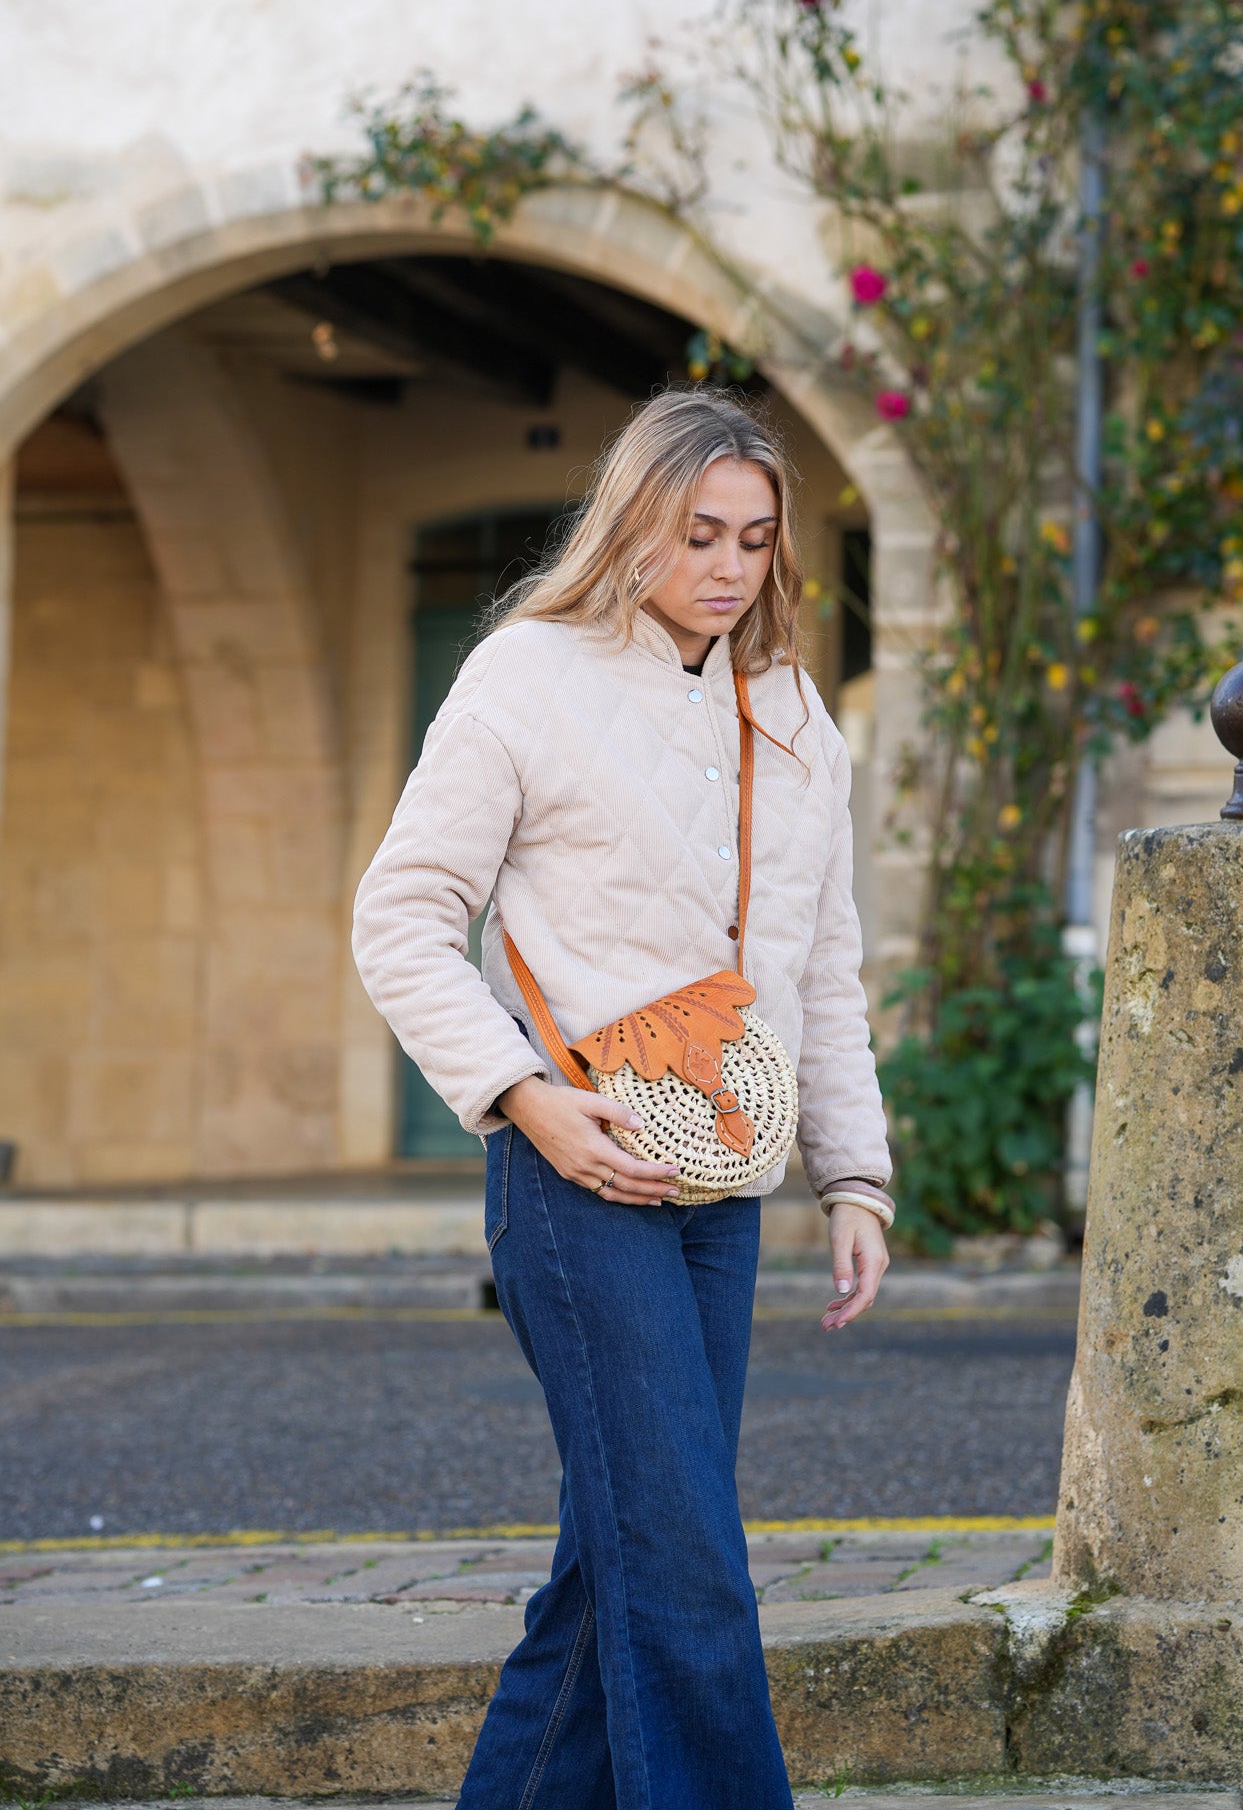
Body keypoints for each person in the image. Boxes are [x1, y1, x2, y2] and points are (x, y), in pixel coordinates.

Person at [352, 387, 895, 1810]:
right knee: (685, 1570)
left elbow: (818, 967)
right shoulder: (526, 678)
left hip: (723, 1185)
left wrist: (854, 1180)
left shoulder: (790, 717)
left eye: (755, 539)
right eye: (695, 532)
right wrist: (522, 1096)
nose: (725, 566)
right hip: (572, 1173)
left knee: (621, 1568)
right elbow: (399, 918)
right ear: (633, 525)